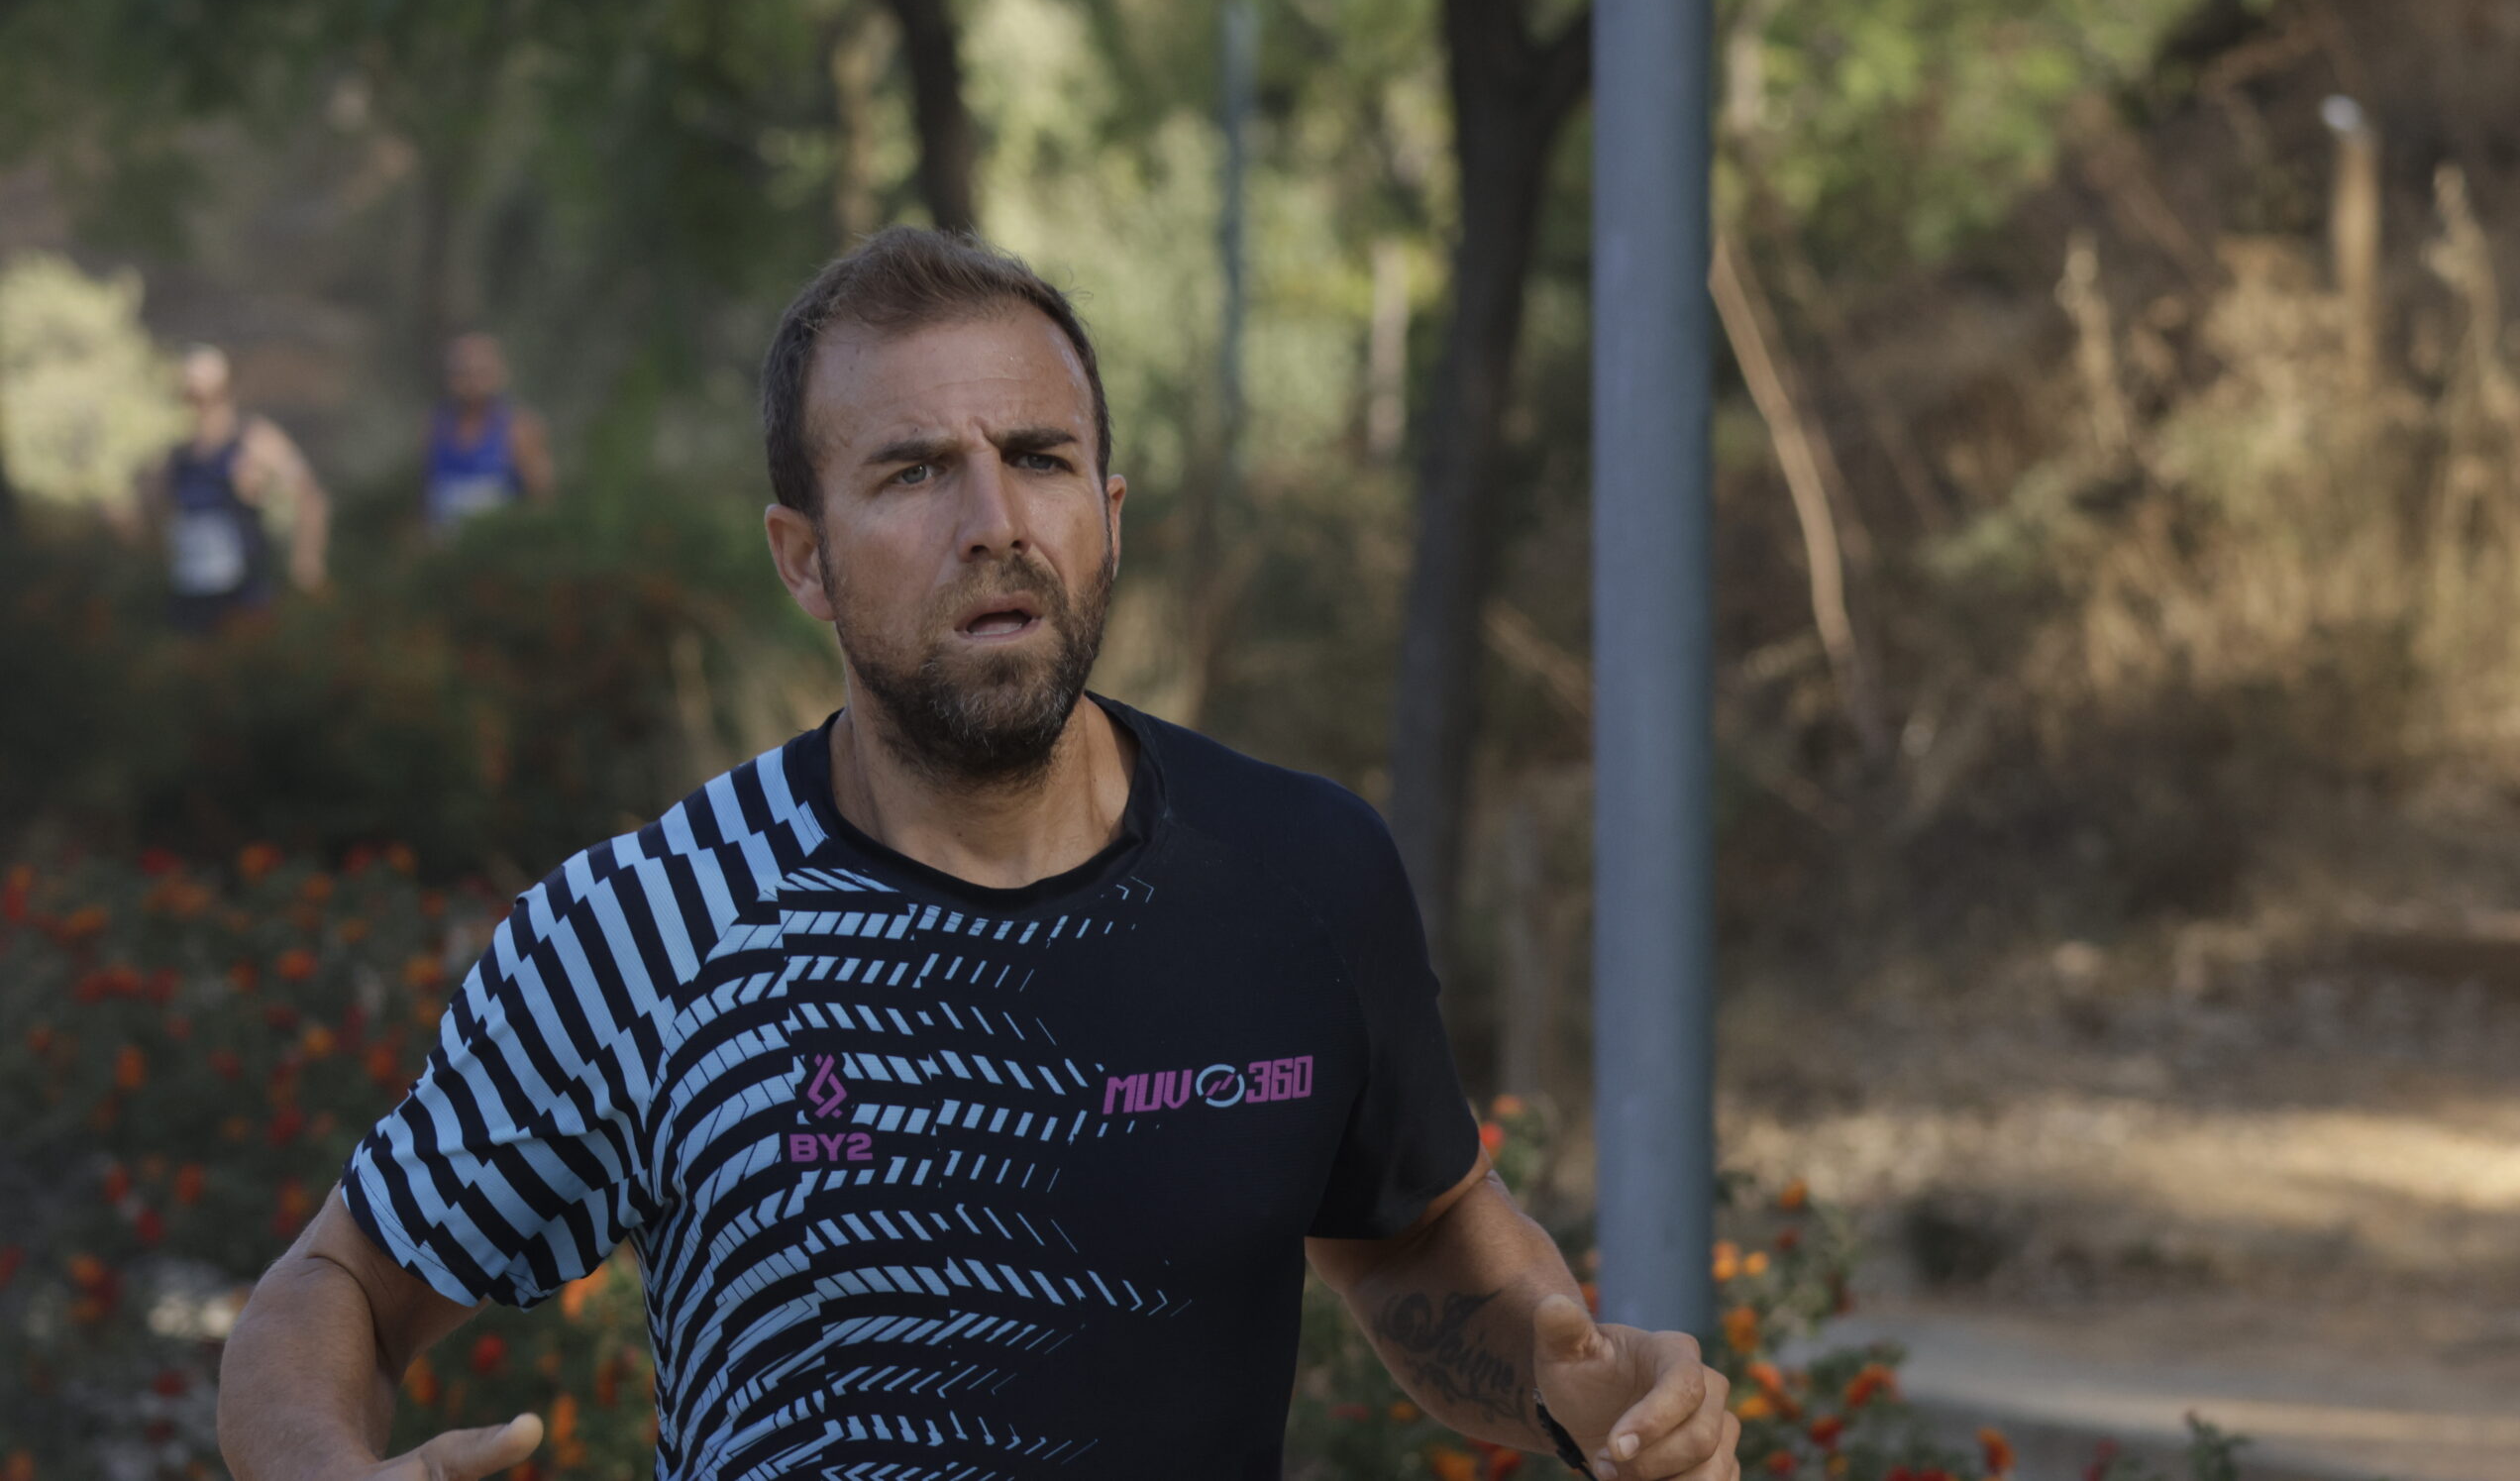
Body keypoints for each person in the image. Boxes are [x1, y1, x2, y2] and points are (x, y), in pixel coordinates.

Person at [215, 229, 1738, 1481]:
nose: (995, 518)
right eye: (913, 471)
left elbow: (1413, 1236)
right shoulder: (648, 928)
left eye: (1040, 456)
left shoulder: (1298, 872)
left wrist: (1578, 1390)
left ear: (1109, 515)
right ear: (802, 556)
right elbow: (334, 1288)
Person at [134, 344, 329, 633]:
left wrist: (306, 560)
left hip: (245, 595)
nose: (199, 405)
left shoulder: (254, 440)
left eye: (208, 395)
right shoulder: (175, 457)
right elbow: (151, 520)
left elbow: (309, 496)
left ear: (226, 391)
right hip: (191, 595)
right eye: (190, 395)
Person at [423, 330, 553, 533]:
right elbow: (427, 497)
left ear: (500, 374)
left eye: (481, 373)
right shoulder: (435, 427)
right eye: (463, 372)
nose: (472, 382)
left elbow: (544, 501)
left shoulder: (520, 429)